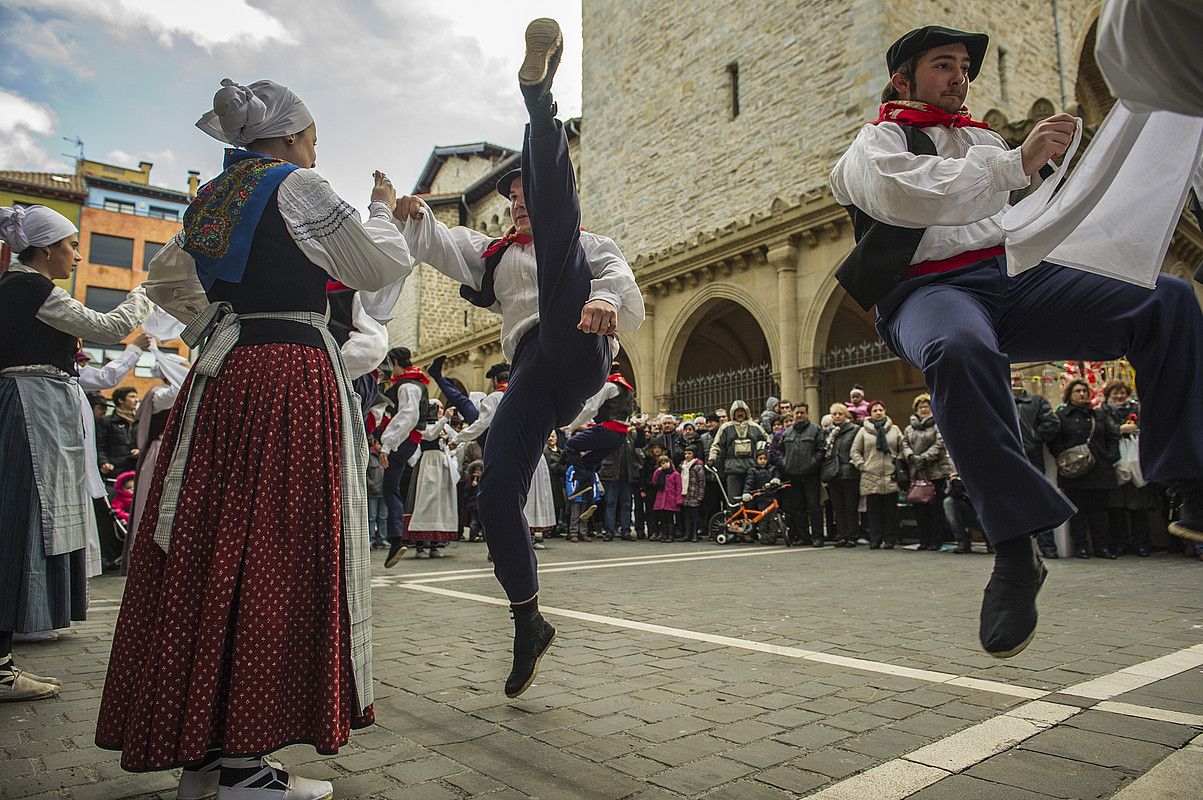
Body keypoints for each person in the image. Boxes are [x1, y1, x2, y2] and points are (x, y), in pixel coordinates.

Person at [829, 25, 1203, 657]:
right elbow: (907, 196)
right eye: (942, 65)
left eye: (963, 68)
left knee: (1165, 301)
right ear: (903, 78)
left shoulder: (982, 140)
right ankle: (1014, 550)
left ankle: (1192, 481)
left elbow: (1033, 214)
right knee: (961, 350)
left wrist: (1066, 164)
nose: (958, 77)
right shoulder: (874, 145)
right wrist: (1016, 162)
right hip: (928, 293)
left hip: (1014, 279)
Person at [95, 77, 416, 798]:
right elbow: (376, 266)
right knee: (274, 549)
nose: (313, 150)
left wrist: (221, 325)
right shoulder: (296, 187)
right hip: (287, 379)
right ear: (293, 136)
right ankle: (245, 764)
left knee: (213, 549)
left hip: (226, 377)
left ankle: (203, 753)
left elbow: (168, 280)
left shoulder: (212, 197)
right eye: (311, 138)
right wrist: (380, 210)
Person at [394, 19, 644, 697]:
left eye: (527, 197)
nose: (517, 209)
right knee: (495, 487)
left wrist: (605, 306)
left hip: (582, 347)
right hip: (536, 374)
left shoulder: (590, 245)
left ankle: (539, 102)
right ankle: (527, 619)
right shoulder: (494, 256)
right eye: (513, 204)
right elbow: (442, 244)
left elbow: (617, 280)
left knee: (566, 255)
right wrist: (407, 212)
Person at [1, 203, 150, 702]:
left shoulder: (21, 287)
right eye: (70, 245)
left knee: (23, 519)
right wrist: (141, 297)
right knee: (22, 519)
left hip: (33, 409)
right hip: (29, 410)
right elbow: (106, 327)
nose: (78, 255)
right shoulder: (29, 287)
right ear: (45, 251)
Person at [122, 344, 190, 572]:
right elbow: (178, 389)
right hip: (159, 452)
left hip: (174, 451)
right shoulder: (159, 394)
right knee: (150, 500)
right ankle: (144, 555)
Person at [1050, 379, 1121, 559]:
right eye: (1077, 391)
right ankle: (1081, 546)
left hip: (1099, 469)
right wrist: (1062, 455)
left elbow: (1112, 436)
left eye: (1084, 391)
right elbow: (1053, 439)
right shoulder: (1062, 416)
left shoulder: (1098, 414)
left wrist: (1110, 456)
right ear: (1070, 395)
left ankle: (1101, 546)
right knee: (1078, 511)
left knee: (1098, 511)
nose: (1082, 394)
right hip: (1074, 471)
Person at [379, 347, 428, 567]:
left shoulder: (407, 386)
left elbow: (408, 416)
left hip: (403, 441)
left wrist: (386, 446)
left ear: (397, 362)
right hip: (409, 442)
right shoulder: (414, 383)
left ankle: (396, 539)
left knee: (390, 489)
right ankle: (397, 538)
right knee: (393, 488)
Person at [1101, 380, 1155, 557]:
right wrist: (1120, 429)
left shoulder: (1138, 410)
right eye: (1115, 393)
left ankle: (1142, 544)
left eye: (1122, 392)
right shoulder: (1102, 412)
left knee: (1139, 506)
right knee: (1116, 508)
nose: (1119, 396)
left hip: (1136, 462)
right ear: (1108, 396)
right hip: (1114, 463)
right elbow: (1102, 433)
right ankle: (1119, 544)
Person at [1011, 370, 1061, 558]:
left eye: (1017, 379)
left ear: (1023, 381)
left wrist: (1033, 438)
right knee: (1013, 506)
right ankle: (1021, 550)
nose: (1014, 382)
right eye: (1011, 379)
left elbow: (1052, 424)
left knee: (1038, 503)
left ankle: (1047, 546)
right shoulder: (1000, 402)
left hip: (1032, 460)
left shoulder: (1037, 402)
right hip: (1007, 461)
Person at [404, 402, 460, 558]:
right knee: (425, 502)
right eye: (438, 408)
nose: (441, 411)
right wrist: (444, 420)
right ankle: (420, 546)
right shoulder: (424, 426)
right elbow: (430, 435)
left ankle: (435, 545)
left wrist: (451, 449)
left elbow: (457, 439)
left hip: (443, 464)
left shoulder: (445, 427)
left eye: (442, 408)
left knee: (441, 504)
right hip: (429, 463)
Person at [901, 393, 954, 551]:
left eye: (926, 406)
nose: (923, 409)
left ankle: (936, 540)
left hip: (935, 473)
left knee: (935, 509)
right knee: (920, 509)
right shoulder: (909, 428)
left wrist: (923, 458)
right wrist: (911, 456)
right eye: (920, 407)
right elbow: (904, 444)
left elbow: (939, 444)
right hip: (917, 473)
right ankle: (923, 540)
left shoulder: (938, 425)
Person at [850, 401, 904, 549]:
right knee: (874, 510)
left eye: (881, 409)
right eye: (875, 410)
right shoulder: (863, 431)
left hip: (890, 474)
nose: (878, 412)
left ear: (885, 411)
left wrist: (897, 462)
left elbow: (902, 447)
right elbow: (854, 451)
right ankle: (875, 538)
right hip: (870, 475)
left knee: (890, 510)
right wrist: (863, 465)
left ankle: (890, 539)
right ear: (870, 413)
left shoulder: (894, 429)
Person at [774, 403, 826, 546]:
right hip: (792, 475)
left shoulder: (816, 430)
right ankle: (804, 537)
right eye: (797, 413)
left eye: (802, 413)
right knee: (798, 507)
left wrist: (812, 464)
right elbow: (779, 451)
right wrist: (784, 464)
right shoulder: (787, 432)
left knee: (814, 506)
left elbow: (821, 450)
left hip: (811, 475)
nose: (799, 415)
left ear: (807, 414)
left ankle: (818, 537)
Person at [709, 400, 767, 502]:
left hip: (752, 470)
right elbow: (716, 445)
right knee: (734, 501)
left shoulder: (755, 427)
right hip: (733, 471)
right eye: (737, 411)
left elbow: (767, 442)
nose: (740, 413)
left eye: (742, 411)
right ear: (732, 413)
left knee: (751, 501)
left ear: (746, 412)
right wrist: (712, 458)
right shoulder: (725, 428)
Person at [822, 404, 861, 548]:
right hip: (833, 473)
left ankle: (852, 535)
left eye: (840, 414)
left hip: (849, 473)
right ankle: (842, 535)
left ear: (846, 416)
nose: (837, 416)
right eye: (834, 414)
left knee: (850, 506)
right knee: (838, 507)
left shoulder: (854, 430)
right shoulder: (828, 432)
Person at [97, 386, 140, 477]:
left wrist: (139, 451)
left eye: (136, 397)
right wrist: (104, 462)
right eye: (132, 397)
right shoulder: (106, 422)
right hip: (113, 474)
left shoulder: (140, 422)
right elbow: (99, 446)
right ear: (120, 400)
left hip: (135, 473)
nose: (136, 400)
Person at [651, 455, 682, 542]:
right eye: (663, 463)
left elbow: (678, 487)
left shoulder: (675, 474)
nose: (665, 465)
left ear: (670, 463)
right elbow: (654, 481)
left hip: (670, 499)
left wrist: (678, 499)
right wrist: (657, 471)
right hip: (661, 498)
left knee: (670, 518)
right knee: (662, 518)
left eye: (666, 462)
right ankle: (664, 534)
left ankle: (671, 535)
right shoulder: (660, 473)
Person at [679, 444, 706, 543]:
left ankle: (695, 533)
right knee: (686, 516)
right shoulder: (682, 465)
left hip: (694, 493)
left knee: (695, 515)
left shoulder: (698, 465)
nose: (687, 455)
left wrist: (700, 495)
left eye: (689, 453)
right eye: (685, 453)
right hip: (685, 493)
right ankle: (687, 533)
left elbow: (701, 481)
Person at [366, 439, 389, 549]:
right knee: (372, 516)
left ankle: (382, 539)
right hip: (373, 491)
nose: (380, 446)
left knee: (383, 516)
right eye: (378, 443)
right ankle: (371, 539)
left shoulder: (387, 456)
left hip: (384, 491)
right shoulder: (369, 457)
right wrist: (369, 484)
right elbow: (366, 473)